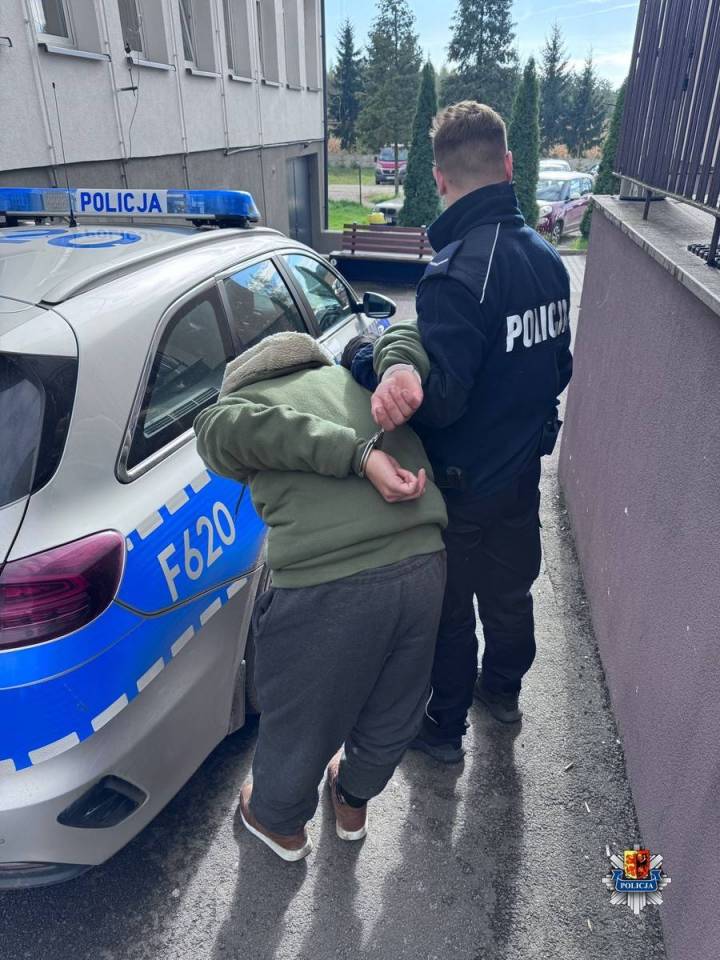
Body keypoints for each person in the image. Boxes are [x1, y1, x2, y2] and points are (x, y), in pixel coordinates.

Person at [352, 101, 573, 763]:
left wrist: (370, 360)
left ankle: (443, 731)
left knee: (450, 618)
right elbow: (559, 366)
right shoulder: (549, 260)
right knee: (510, 599)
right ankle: (502, 694)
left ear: (439, 179)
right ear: (508, 164)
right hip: (521, 478)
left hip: (461, 490)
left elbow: (439, 404)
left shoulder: (454, 276)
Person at [194, 331, 447, 861]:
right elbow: (406, 335)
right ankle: (352, 801)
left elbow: (221, 433)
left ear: (241, 380)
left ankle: (277, 821)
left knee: (300, 717)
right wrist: (400, 367)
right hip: (424, 561)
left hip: (326, 581)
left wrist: (357, 456)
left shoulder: (236, 409)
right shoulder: (353, 377)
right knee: (394, 705)